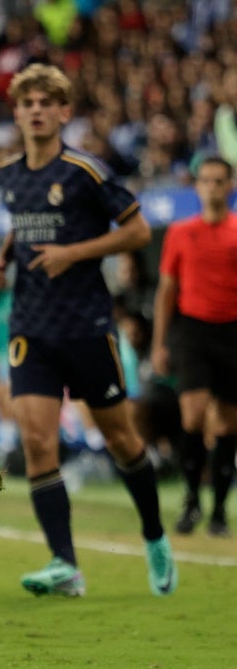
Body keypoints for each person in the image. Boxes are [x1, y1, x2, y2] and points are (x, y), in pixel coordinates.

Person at [0, 63, 177, 598]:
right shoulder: (9, 173)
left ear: (65, 112)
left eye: (47, 102)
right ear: (17, 113)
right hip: (31, 328)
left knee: (121, 438)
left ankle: (155, 537)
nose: (37, 110)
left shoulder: (86, 172)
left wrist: (75, 252)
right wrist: (1, 261)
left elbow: (138, 231)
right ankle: (64, 563)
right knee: (38, 441)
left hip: (87, 326)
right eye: (27, 103)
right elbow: (20, 227)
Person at [151, 156, 237, 538]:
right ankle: (190, 500)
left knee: (226, 424)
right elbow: (167, 290)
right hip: (193, 333)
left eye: (220, 181)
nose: (213, 187)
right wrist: (159, 343)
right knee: (192, 416)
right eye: (206, 180)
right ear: (197, 187)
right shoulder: (181, 233)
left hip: (232, 333)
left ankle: (218, 510)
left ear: (230, 187)